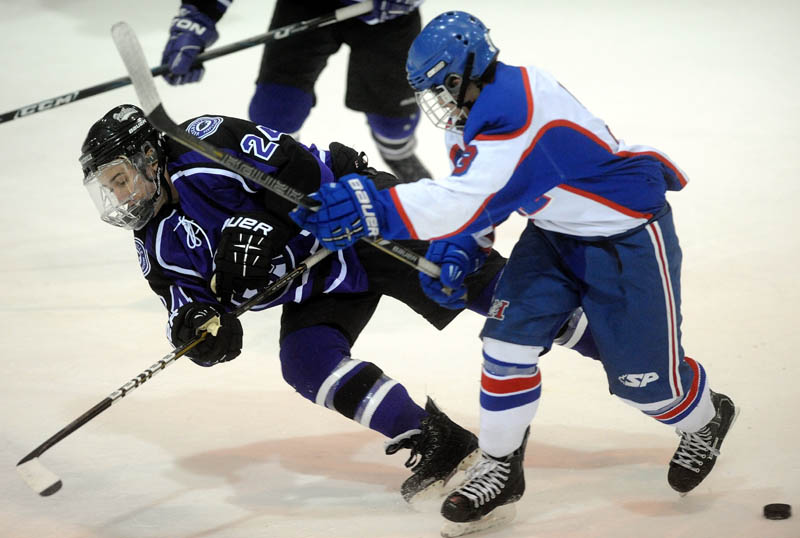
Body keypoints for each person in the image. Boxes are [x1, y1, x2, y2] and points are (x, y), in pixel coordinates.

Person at [289, 10, 739, 534]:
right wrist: (461, 248)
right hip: (552, 236)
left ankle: (706, 416)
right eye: (434, 90)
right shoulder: (472, 113)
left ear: (476, 68)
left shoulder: (521, 111)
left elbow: (465, 196)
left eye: (447, 84)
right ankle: (501, 466)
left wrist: (371, 207)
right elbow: (477, 198)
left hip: (626, 240)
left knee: (648, 389)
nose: (441, 101)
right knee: (506, 346)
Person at [78, 104, 598, 505]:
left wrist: (272, 234)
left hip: (358, 221)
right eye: (109, 188)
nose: (121, 198)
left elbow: (297, 169)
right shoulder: (154, 239)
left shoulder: (205, 144)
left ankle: (619, 341)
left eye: (121, 179)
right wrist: (202, 329)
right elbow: (183, 307)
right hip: (321, 277)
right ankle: (442, 444)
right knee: (305, 361)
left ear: (149, 156)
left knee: (486, 289)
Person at [160, 0, 431, 182]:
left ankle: (399, 152)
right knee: (275, 111)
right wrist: (196, 17)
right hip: (306, 4)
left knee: (393, 123)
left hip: (390, 13)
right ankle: (287, 170)